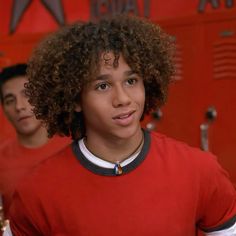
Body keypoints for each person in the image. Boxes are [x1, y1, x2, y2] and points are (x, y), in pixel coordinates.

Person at [5, 15, 236, 236]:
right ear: (75, 99)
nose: (123, 99)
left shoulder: (199, 170)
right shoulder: (37, 192)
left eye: (131, 81)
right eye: (103, 86)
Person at [0, 64, 71, 230]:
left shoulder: (77, 144)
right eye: (10, 100)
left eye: (27, 94)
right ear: (3, 109)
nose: (20, 106)